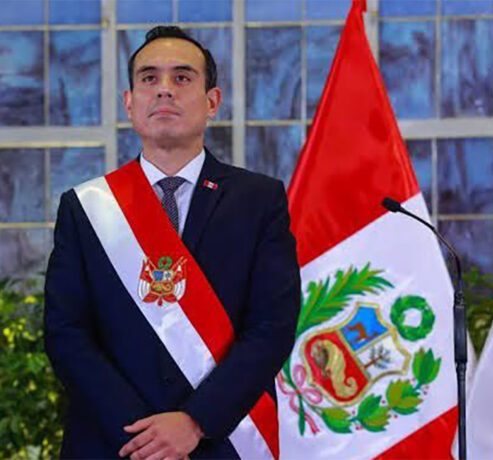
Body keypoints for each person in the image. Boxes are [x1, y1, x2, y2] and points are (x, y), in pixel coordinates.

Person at [44, 26, 301, 460]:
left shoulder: (259, 200)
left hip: (221, 440)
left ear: (212, 101)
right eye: (149, 78)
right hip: (114, 443)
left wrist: (195, 422)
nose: (164, 89)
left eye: (182, 77)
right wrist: (144, 436)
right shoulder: (86, 206)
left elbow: (272, 326)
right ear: (130, 102)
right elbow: (66, 333)